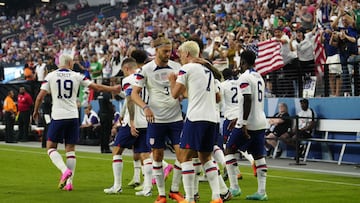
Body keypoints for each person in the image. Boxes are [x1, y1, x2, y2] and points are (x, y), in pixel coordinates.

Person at [32, 54, 120, 191]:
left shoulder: (50, 76)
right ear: (69, 63)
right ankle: (69, 183)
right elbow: (96, 87)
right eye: (72, 62)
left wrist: (36, 111)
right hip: (73, 116)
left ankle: (64, 171)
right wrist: (113, 89)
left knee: (50, 147)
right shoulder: (77, 75)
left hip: (58, 116)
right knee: (70, 150)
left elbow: (39, 97)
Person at [131, 37, 184, 203]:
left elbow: (183, 88)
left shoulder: (177, 67)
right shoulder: (146, 70)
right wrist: (145, 107)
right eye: (165, 51)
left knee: (182, 156)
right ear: (156, 51)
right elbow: (134, 93)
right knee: (157, 155)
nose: (169, 54)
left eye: (170, 51)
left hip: (176, 118)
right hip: (156, 120)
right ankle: (161, 194)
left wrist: (181, 93)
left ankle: (175, 190)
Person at [169, 40, 223, 203]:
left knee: (185, 157)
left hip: (196, 118)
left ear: (187, 54)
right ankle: (216, 197)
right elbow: (217, 97)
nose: (179, 57)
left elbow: (175, 94)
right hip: (212, 119)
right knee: (206, 158)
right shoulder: (208, 71)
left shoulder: (186, 68)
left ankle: (190, 198)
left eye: (180, 53)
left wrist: (172, 80)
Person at [104, 57, 152, 197]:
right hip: (147, 120)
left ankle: (117, 186)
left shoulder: (128, 79)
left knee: (117, 150)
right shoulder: (146, 76)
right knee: (145, 154)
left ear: (126, 68)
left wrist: (131, 121)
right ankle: (147, 188)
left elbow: (130, 100)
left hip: (134, 121)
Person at [225, 50, 268, 201]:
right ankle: (262, 192)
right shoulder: (259, 77)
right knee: (258, 155)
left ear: (242, 62)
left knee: (229, 150)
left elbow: (248, 99)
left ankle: (235, 187)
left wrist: (242, 122)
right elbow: (252, 101)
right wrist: (238, 116)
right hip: (260, 121)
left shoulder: (244, 77)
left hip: (248, 122)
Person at [98, 78, 114, 153]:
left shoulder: (100, 94)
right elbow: (109, 106)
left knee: (102, 132)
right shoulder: (107, 94)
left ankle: (102, 148)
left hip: (101, 114)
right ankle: (106, 148)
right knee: (107, 132)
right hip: (107, 115)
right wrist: (113, 111)